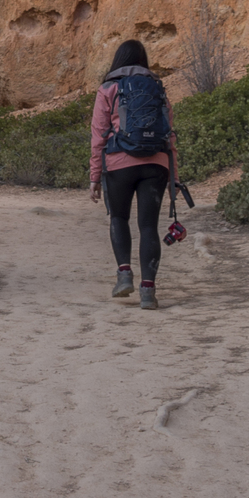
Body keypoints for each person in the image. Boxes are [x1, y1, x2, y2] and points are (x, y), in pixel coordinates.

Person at [88, 38, 177, 308]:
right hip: (156, 164)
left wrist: (94, 176)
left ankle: (124, 274)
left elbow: (98, 136)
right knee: (148, 226)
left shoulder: (108, 88)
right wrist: (174, 176)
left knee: (119, 217)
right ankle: (148, 291)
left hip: (118, 163)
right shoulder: (158, 88)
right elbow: (170, 136)